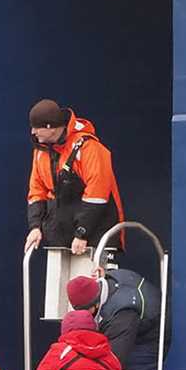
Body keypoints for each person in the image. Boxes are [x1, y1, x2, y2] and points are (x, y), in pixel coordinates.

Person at [23, 99, 124, 259]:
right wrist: (35, 227)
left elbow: (97, 195)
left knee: (92, 284)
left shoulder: (89, 148)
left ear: (50, 127)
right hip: (60, 236)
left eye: (36, 127)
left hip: (94, 236)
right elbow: (37, 192)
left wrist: (82, 232)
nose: (33, 132)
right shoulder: (40, 152)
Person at [67, 269, 163, 370]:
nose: (83, 315)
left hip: (153, 335)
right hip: (139, 314)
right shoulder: (110, 277)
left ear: (96, 304)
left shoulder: (122, 316)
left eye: (85, 310)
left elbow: (113, 360)